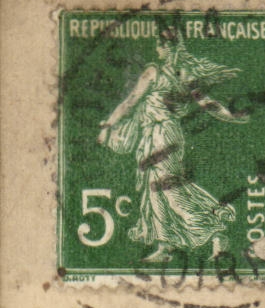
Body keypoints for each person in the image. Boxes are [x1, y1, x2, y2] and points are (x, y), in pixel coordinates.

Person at [97, 26, 249, 263]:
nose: (156, 49)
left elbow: (130, 102)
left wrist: (108, 125)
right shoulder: (185, 73)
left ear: (167, 47)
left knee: (169, 190)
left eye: (159, 45)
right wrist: (231, 116)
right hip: (168, 135)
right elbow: (207, 103)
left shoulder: (153, 72)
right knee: (156, 189)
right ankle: (165, 245)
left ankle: (215, 234)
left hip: (159, 135)